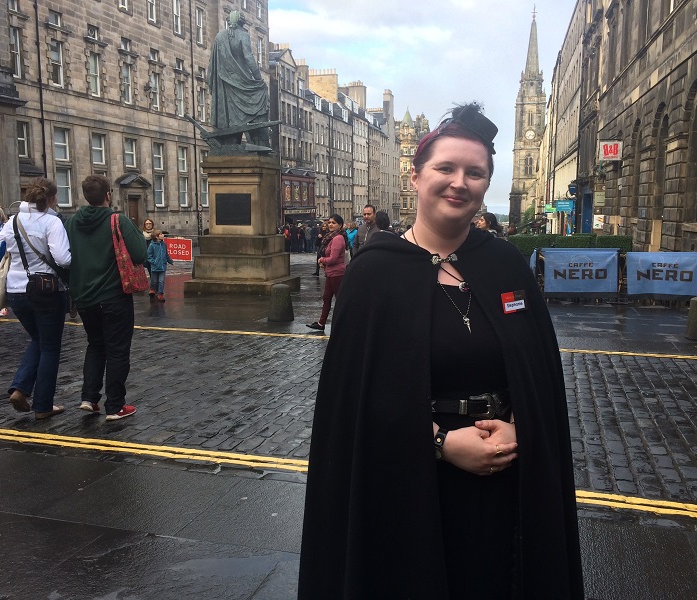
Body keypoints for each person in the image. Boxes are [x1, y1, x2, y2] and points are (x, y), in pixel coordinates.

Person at [299, 103, 583, 598]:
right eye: (445, 168)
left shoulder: (505, 265)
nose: (459, 182)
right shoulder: (375, 271)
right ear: (416, 176)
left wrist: (520, 426)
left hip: (502, 480)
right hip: (406, 483)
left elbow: (538, 377)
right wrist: (442, 443)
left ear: (485, 184)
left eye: (474, 172)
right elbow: (359, 402)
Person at [65, 175, 146, 420]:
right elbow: (140, 253)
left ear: (85, 196)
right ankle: (115, 406)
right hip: (114, 296)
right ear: (108, 195)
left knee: (95, 345)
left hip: (85, 298)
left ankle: (89, 398)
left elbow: (62, 256)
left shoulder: (71, 222)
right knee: (118, 350)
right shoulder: (117, 220)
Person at [0, 178, 71, 419]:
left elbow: (2, 250)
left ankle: (20, 388)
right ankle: (43, 405)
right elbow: (63, 259)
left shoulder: (12, 221)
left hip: (16, 290)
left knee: (38, 340)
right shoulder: (52, 221)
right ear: (51, 198)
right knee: (49, 347)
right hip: (46, 289)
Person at [208, 10, 269, 147]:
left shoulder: (219, 37)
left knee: (230, 116)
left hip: (225, 83)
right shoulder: (243, 35)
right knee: (261, 95)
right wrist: (259, 81)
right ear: (242, 23)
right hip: (242, 81)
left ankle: (230, 141)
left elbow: (213, 63)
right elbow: (249, 58)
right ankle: (260, 139)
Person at [306, 214, 346, 332]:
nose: (330, 225)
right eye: (329, 222)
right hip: (330, 273)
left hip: (337, 273)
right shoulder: (330, 237)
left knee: (339, 300)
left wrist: (322, 260)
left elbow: (333, 258)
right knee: (327, 298)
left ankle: (341, 324)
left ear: (340, 225)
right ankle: (321, 323)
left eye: (333, 223)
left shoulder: (338, 238)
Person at [147, 229, 174, 302]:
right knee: (154, 281)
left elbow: (166, 254)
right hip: (155, 267)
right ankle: (152, 289)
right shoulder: (152, 245)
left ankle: (160, 294)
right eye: (161, 234)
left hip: (162, 266)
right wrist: (154, 262)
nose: (163, 235)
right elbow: (149, 256)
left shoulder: (164, 244)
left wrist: (171, 261)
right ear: (156, 236)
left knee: (161, 281)